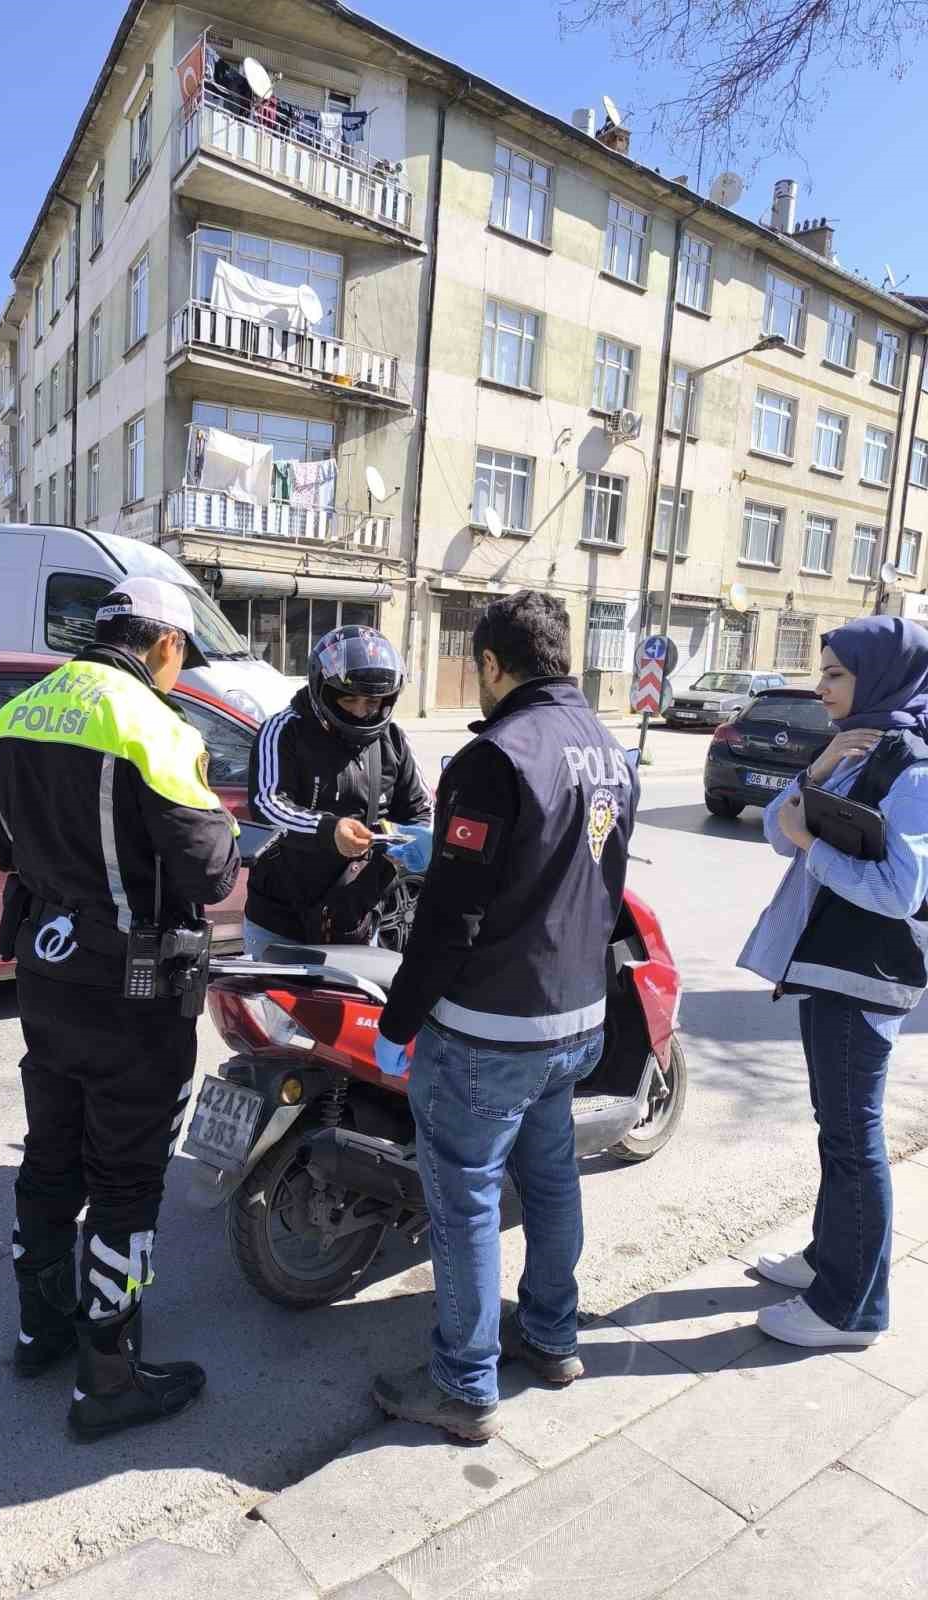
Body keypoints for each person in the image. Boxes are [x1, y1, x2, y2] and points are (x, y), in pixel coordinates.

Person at [368, 590, 638, 1442]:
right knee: (551, 1177)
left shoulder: (496, 756)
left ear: (493, 665)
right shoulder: (607, 747)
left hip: (492, 1026)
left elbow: (452, 917)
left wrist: (399, 1020)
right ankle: (554, 1337)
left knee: (467, 1198)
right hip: (575, 1018)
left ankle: (464, 1383)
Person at [0, 577, 240, 1437]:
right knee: (127, 1182)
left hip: (45, 976)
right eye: (183, 653)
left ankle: (37, 1332)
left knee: (51, 1155)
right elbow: (208, 874)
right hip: (134, 990)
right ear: (163, 642)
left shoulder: (12, 717)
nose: (181, 667)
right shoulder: (150, 724)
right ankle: (108, 1380)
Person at [739, 615, 928, 1350]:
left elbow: (901, 891)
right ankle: (829, 1257)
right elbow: (772, 832)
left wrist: (813, 845)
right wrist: (815, 774)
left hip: (864, 974)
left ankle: (851, 1309)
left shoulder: (910, 766)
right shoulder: (858, 748)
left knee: (854, 1140)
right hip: (830, 968)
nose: (820, 688)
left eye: (836, 674)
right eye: (821, 672)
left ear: (882, 676)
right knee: (838, 1132)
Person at [244, 625, 433, 955]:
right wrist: (329, 831)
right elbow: (268, 803)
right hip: (280, 921)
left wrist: (405, 842)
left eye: (373, 701)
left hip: (356, 919)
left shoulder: (395, 740)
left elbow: (420, 810)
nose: (361, 710)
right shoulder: (284, 730)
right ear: (323, 689)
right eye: (349, 699)